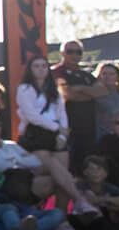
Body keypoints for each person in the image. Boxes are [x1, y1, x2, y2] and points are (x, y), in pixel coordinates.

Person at [15, 53, 81, 202]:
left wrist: (63, 134)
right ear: (30, 69)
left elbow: (62, 113)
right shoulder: (24, 89)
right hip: (35, 133)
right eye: (36, 66)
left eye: (44, 66)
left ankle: (64, 217)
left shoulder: (55, 90)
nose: (40, 69)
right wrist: (56, 128)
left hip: (57, 133)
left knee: (62, 176)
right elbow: (31, 115)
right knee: (46, 175)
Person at [52, 40, 105, 168]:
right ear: (62, 53)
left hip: (88, 127)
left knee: (87, 162)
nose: (74, 55)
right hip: (67, 127)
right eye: (70, 51)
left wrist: (80, 88)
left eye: (78, 52)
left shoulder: (86, 74)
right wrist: (89, 93)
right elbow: (67, 94)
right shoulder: (55, 72)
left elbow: (102, 91)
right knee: (69, 163)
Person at [0, 110, 42, 195]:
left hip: (23, 177)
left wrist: (15, 160)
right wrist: (22, 161)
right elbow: (0, 167)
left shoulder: (11, 144)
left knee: (48, 180)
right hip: (1, 183)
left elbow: (36, 162)